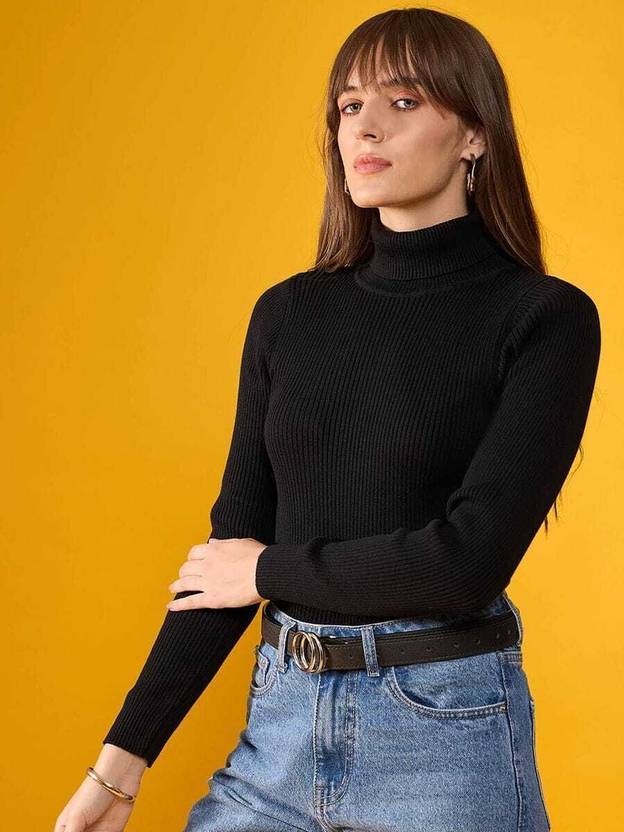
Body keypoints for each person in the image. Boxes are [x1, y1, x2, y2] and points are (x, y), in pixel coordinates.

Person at [55, 7, 601, 832]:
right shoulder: (289, 315)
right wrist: (119, 766)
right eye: (349, 105)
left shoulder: (544, 319)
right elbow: (226, 561)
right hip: (280, 727)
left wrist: (267, 571)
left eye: (404, 101)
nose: (365, 126)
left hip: (443, 739)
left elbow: (466, 563)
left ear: (475, 135)